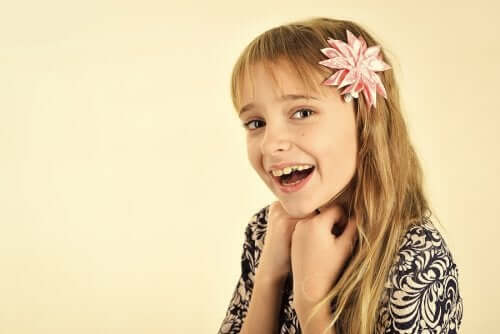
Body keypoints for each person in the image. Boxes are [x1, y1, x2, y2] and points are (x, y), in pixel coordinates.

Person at [218, 17, 463, 334]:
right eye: (255, 123)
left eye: (302, 113)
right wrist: (269, 278)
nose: (271, 143)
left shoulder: (416, 258)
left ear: (365, 121)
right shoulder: (265, 232)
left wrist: (312, 302)